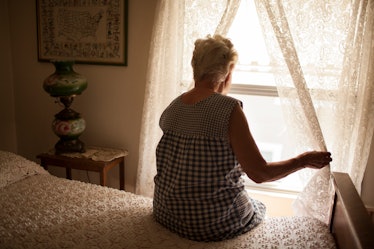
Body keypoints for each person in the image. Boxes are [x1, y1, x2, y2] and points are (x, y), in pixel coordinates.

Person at [153, 34, 332, 242]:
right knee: (258, 207)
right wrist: (302, 160)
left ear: (195, 69)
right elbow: (259, 173)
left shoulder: (173, 107)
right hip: (208, 224)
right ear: (227, 73)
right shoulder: (228, 108)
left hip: (164, 212)